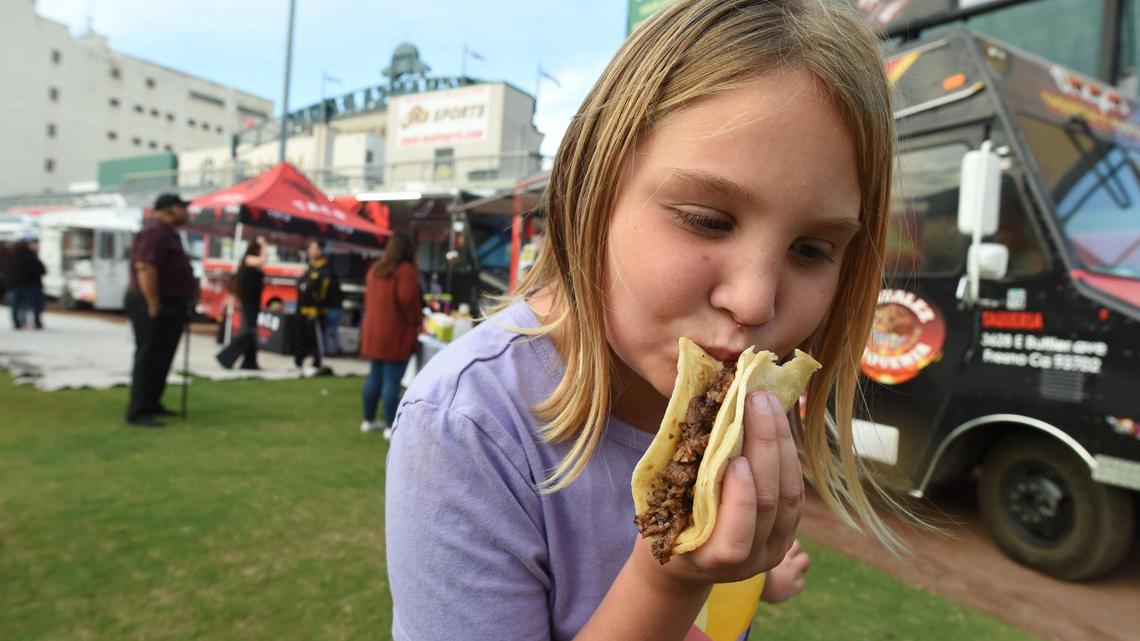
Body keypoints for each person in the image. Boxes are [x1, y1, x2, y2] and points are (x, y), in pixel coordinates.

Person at [384, 1, 905, 639]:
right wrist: (670, 577)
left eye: (811, 250)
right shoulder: (468, 425)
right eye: (706, 219)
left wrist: (754, 569)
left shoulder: (735, 399)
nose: (755, 303)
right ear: (588, 185)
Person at [125, 193, 195, 428]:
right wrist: (153, 302)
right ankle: (139, 409)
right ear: (168, 209)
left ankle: (152, 401)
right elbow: (145, 267)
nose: (187, 212)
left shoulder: (167, 233)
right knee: (150, 356)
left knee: (162, 356)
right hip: (154, 303)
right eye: (182, 207)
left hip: (169, 303)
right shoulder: (154, 231)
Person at [359, 232, 422, 437]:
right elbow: (409, 302)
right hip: (395, 333)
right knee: (391, 381)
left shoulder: (375, 270)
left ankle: (368, 420)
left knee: (374, 377)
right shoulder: (405, 271)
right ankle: (390, 425)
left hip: (373, 332)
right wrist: (416, 322)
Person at [215, 237, 267, 370]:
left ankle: (250, 362)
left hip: (254, 301)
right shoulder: (249, 259)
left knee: (251, 331)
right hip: (248, 301)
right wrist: (263, 244)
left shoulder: (254, 263)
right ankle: (226, 357)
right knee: (249, 331)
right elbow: (263, 259)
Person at [291, 239, 338, 376]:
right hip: (303, 309)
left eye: (313, 248)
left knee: (316, 338)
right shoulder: (311, 266)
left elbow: (325, 292)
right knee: (301, 337)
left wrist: (317, 309)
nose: (310, 251)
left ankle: (317, 363)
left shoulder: (326, 269)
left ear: (321, 250)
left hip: (315, 312)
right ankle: (298, 361)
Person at [7, 233, 46, 330]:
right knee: (29, 305)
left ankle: (17, 323)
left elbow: (6, 271)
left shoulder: (11, 255)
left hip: (14, 285)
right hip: (30, 285)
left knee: (16, 305)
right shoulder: (31, 256)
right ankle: (33, 322)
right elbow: (41, 270)